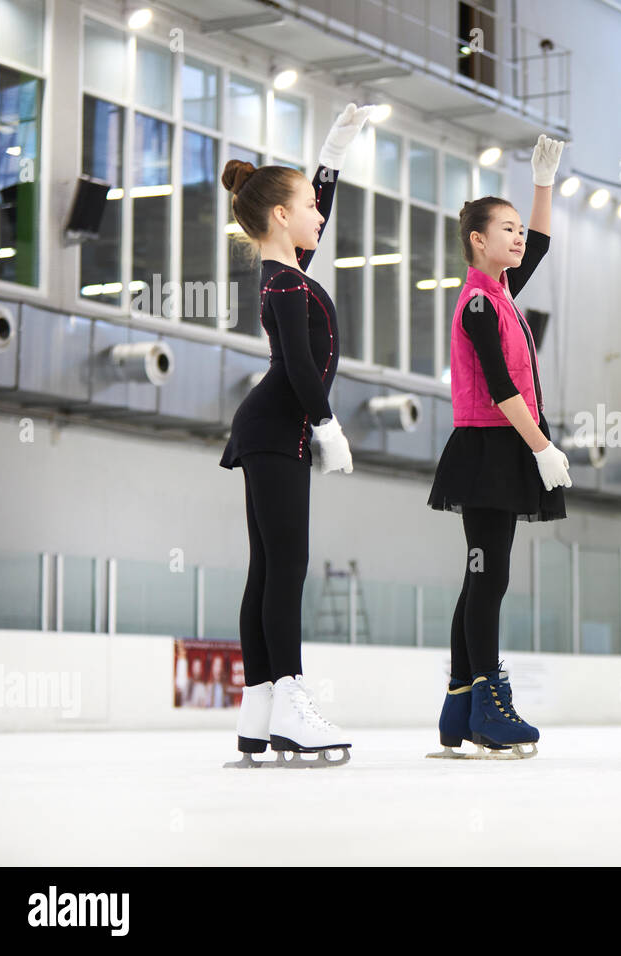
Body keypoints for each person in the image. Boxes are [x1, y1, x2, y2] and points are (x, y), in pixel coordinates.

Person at [218, 103, 373, 767]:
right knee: (288, 568)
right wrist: (329, 425)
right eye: (309, 206)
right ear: (281, 216)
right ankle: (291, 702)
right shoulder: (283, 284)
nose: (319, 215)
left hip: (272, 430)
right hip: (279, 428)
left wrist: (331, 157)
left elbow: (313, 211)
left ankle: (259, 707)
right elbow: (300, 366)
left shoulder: (288, 270)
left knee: (269, 568)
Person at [425, 134, 571, 759]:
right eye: (505, 229)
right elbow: (502, 384)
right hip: (490, 450)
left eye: (518, 229)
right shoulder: (480, 304)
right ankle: (488, 702)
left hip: (500, 449)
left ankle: (460, 705)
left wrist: (543, 185)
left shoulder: (503, 294)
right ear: (477, 240)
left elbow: (539, 245)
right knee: (489, 576)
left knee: (481, 576)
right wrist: (541, 446)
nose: (518, 237)